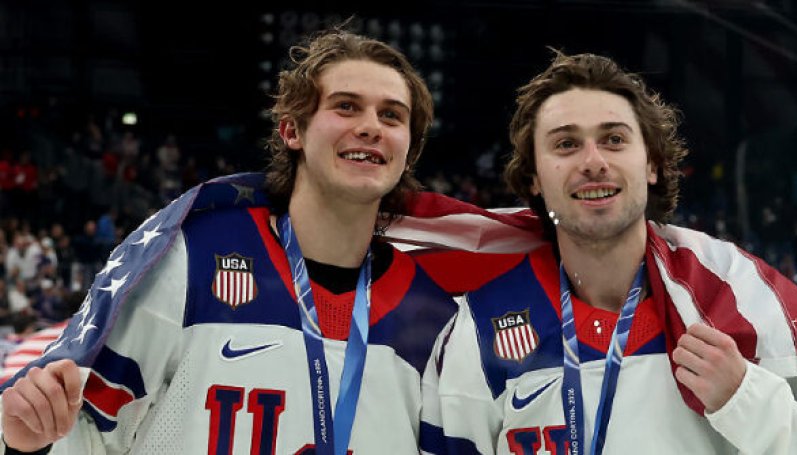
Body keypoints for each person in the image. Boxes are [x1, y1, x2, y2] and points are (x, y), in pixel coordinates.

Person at [0, 29, 457, 454]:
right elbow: (80, 435)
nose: (371, 126)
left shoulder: (434, 313)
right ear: (291, 131)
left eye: (391, 115)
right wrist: (26, 443)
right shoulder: (190, 258)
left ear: (407, 149)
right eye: (346, 106)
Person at [417, 52, 797, 454]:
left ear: (651, 164)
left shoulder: (733, 298)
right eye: (566, 144)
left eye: (613, 139)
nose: (593, 160)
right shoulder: (481, 327)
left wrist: (748, 401)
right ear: (534, 176)